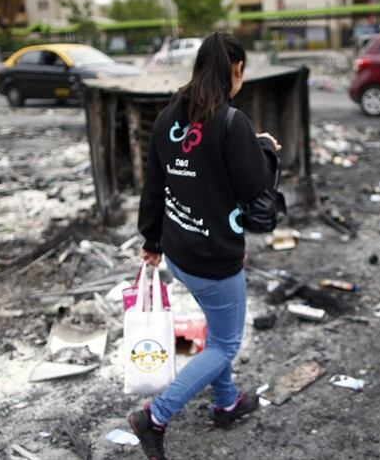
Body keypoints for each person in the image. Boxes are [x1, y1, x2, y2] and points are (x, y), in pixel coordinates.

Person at [129, 31, 280, 460]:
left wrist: (151, 238)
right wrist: (265, 150)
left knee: (218, 331)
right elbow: (254, 188)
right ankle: (155, 416)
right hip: (215, 259)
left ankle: (226, 402)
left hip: (179, 251)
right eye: (241, 71)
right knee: (226, 344)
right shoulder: (233, 123)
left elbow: (154, 184)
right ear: (236, 69)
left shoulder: (166, 119)